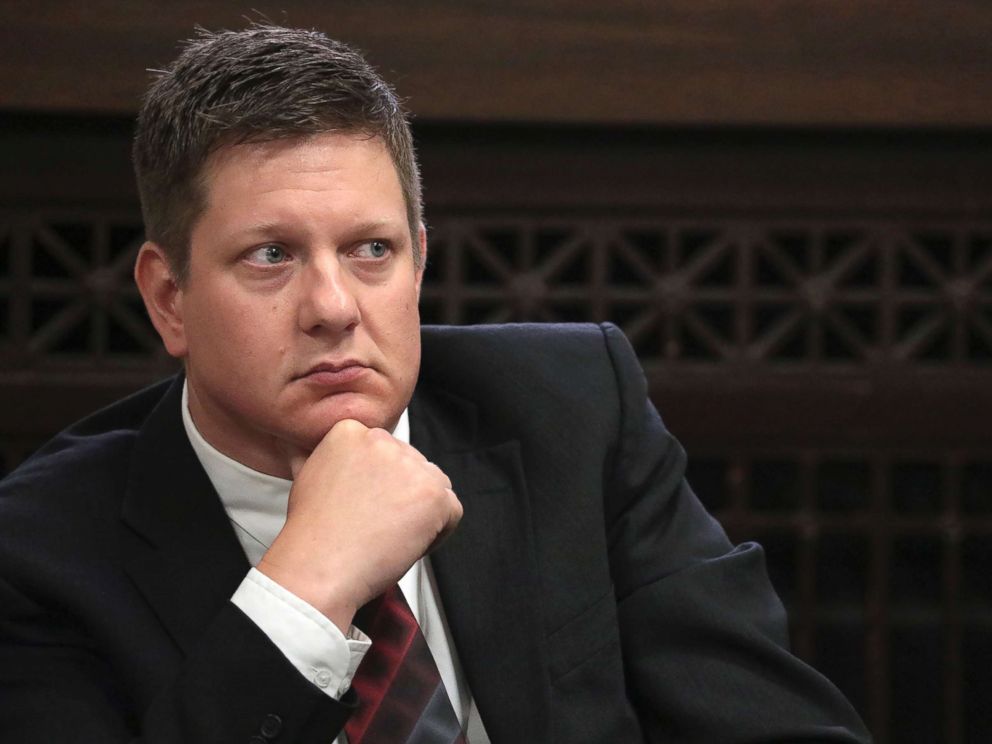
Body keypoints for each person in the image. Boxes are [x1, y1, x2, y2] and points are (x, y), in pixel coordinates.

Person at [0, 23, 871, 744]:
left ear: (418, 262)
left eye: (371, 250)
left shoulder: (568, 408)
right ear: (169, 299)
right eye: (272, 256)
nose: (334, 307)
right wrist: (308, 582)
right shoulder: (40, 550)